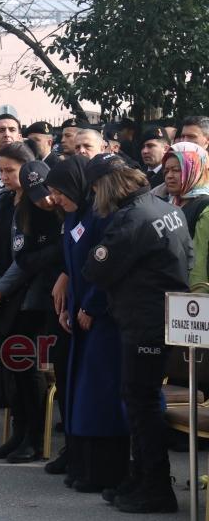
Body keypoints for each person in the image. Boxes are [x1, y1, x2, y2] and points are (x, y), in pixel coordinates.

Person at [83, 154, 191, 513]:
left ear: (107, 185)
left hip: (144, 321)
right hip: (155, 316)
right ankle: (142, 476)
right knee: (140, 401)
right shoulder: (161, 207)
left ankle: (156, 486)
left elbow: (97, 269)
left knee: (141, 404)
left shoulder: (130, 220)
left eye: (96, 187)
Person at [45, 155, 129, 494]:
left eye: (59, 191)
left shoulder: (99, 215)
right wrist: (67, 297)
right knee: (80, 394)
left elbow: (107, 266)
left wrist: (91, 305)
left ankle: (104, 471)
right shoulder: (72, 216)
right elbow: (73, 263)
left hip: (102, 317)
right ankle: (81, 462)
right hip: (78, 314)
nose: (55, 198)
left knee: (100, 396)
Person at [0, 143, 54, 464]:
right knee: (10, 369)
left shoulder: (38, 205)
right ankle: (18, 433)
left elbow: (25, 260)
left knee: (26, 367)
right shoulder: (0, 202)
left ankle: (33, 437)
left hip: (26, 297)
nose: (3, 176)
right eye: (1, 170)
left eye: (10, 170)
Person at [161, 142, 209, 287]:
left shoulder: (205, 207)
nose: (169, 176)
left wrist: (194, 298)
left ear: (195, 169)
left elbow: (199, 262)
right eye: (166, 171)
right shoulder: (168, 203)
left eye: (176, 170)